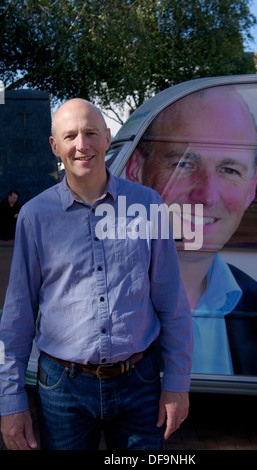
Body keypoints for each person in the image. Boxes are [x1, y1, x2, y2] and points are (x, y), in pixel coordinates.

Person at [0, 98, 193, 450]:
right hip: (63, 390)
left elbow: (171, 302)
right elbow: (18, 316)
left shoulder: (147, 205)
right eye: (70, 135)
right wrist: (10, 400)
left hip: (140, 383)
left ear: (107, 137)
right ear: (54, 146)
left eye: (90, 133)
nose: (81, 145)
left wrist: (177, 381)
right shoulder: (34, 216)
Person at [126, 86, 257, 377]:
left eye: (229, 170)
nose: (207, 196)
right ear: (135, 170)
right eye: (184, 164)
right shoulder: (96, 296)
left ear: (252, 188)